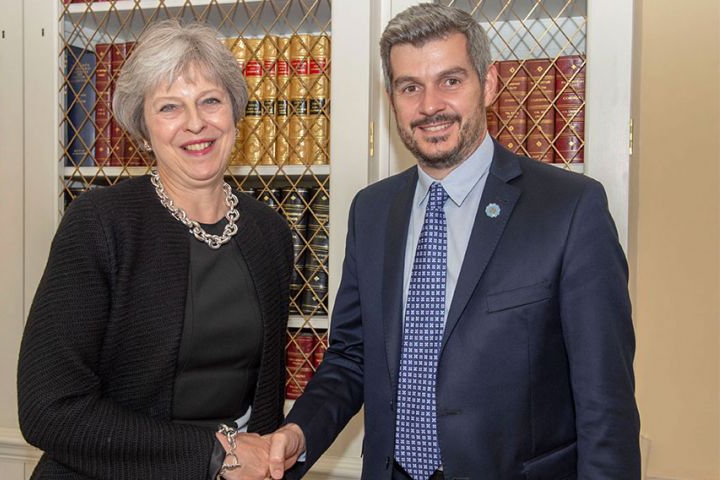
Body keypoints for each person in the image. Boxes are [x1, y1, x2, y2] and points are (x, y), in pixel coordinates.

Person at [267, 3, 640, 479]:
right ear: (391, 98)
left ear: (487, 85)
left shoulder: (569, 209)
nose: (429, 106)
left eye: (450, 80)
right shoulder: (371, 211)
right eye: (410, 87)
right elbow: (352, 357)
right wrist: (297, 432)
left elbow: (604, 403)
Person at [18, 20, 293, 480]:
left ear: (234, 112)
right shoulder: (99, 224)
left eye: (210, 100)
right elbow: (48, 408)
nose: (195, 122)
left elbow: (263, 403)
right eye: (169, 107)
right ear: (143, 131)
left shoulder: (270, 232)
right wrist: (214, 452)